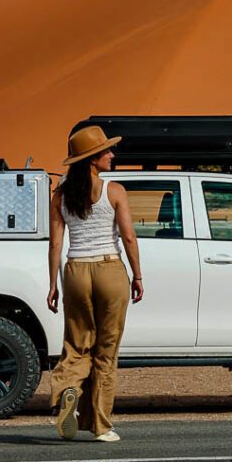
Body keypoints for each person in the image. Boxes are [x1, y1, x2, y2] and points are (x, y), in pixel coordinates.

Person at [47, 125, 143, 442]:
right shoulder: (114, 191)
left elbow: (55, 244)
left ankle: (69, 390)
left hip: (75, 271)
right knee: (106, 350)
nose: (112, 155)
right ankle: (100, 425)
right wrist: (138, 275)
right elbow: (128, 236)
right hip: (109, 270)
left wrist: (53, 285)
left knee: (76, 345)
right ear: (92, 160)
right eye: (107, 151)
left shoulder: (60, 195)